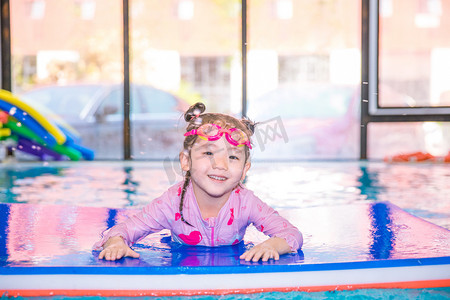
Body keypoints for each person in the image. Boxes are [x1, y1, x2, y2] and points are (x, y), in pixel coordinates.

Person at [93, 102, 303, 262]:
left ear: (245, 168)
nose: (221, 164)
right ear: (186, 160)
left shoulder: (246, 203)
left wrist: (273, 245)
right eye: (209, 153)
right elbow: (125, 229)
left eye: (233, 157)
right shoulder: (171, 203)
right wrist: (116, 243)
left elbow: (291, 233)